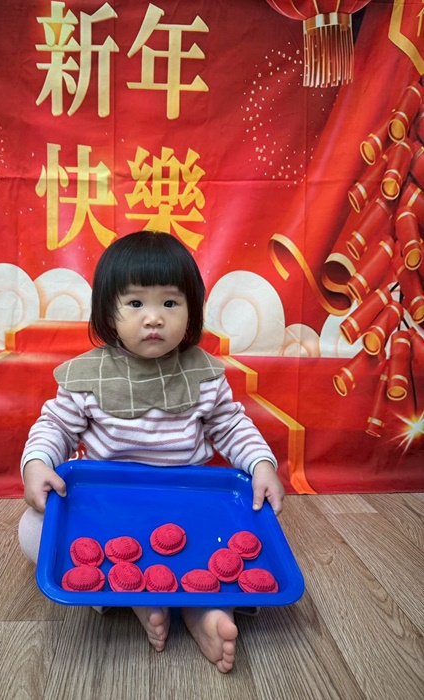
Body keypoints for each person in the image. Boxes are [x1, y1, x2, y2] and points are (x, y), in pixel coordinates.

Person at [19, 230, 285, 673]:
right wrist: (38, 464)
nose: (154, 318)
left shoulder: (204, 375)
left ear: (192, 311)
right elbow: (55, 426)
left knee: (259, 518)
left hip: (186, 510)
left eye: (171, 302)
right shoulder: (88, 377)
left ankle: (202, 607)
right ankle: (132, 595)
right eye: (136, 303)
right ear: (108, 312)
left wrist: (260, 464)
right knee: (32, 529)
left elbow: (231, 424)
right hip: (109, 510)